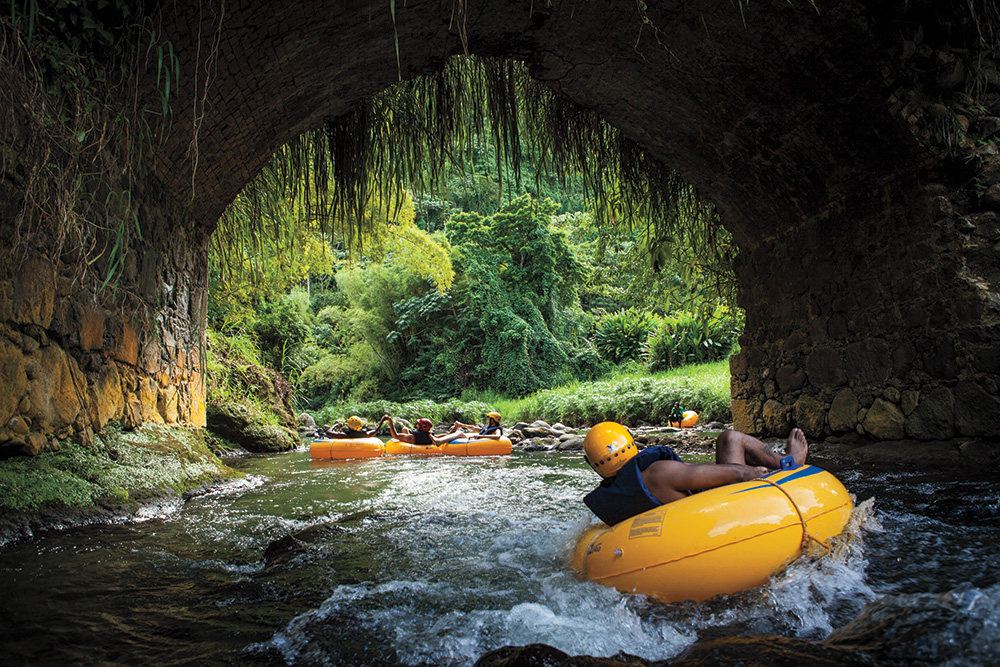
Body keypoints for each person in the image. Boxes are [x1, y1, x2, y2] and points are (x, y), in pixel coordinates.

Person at [582, 422, 809, 526]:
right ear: (632, 444)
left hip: (687, 523)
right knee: (730, 439)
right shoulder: (659, 473)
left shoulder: (617, 496)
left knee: (725, 446)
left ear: (593, 465)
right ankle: (789, 461)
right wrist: (760, 472)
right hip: (728, 516)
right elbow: (740, 475)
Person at [384, 415, 461, 446]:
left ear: (422, 427)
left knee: (404, 429)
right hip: (426, 443)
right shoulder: (432, 437)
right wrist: (455, 427)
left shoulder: (412, 437)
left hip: (412, 444)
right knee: (405, 429)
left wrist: (391, 422)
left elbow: (395, 435)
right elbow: (449, 435)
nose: (416, 425)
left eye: (418, 424)